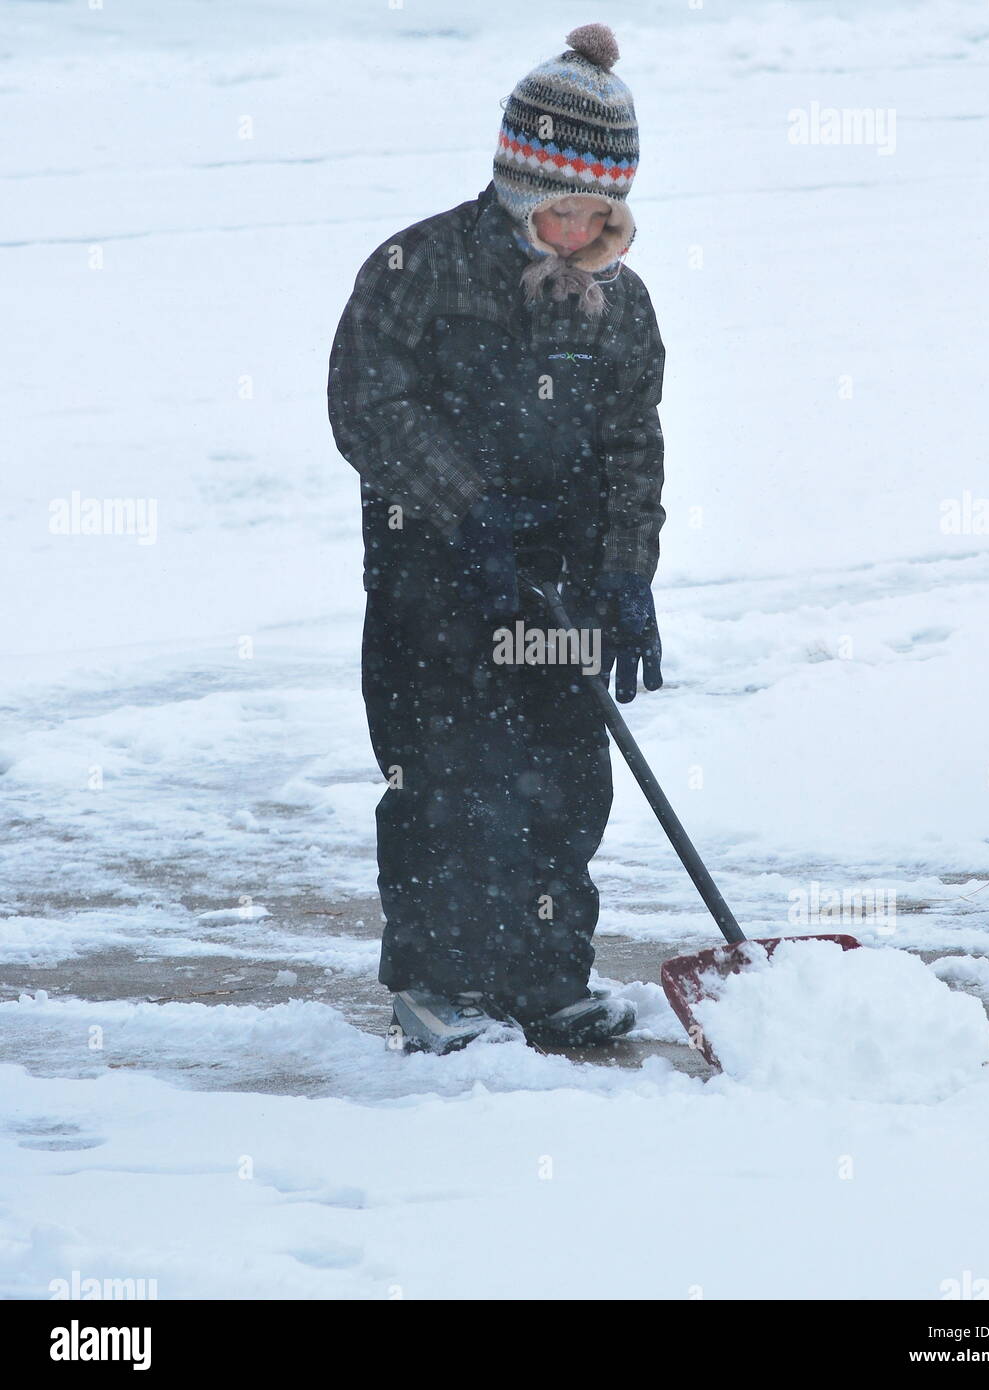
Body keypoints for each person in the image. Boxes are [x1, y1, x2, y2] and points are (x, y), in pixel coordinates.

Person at [328, 23, 666, 1054]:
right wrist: (464, 509)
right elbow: (368, 406)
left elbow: (629, 446)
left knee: (563, 782)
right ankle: (440, 985)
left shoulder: (619, 306)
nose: (576, 236)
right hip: (437, 581)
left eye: (596, 218)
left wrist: (624, 576)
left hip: (556, 586)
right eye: (561, 212)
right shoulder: (416, 268)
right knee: (450, 779)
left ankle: (540, 978)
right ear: (520, 188)